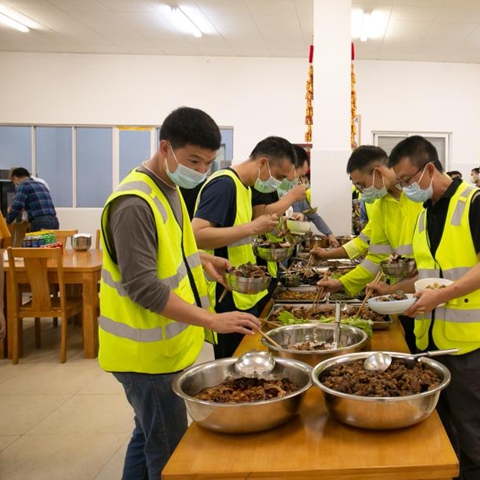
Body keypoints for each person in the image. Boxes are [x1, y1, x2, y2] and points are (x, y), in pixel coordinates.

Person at [99, 107, 261, 479]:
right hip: (145, 357)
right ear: (165, 148)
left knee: (146, 434)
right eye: (193, 160)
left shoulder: (165, 188)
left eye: (208, 163)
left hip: (164, 349)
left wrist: (200, 258)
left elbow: (164, 251)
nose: (201, 171)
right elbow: (143, 286)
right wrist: (212, 319)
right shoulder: (134, 203)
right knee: (169, 454)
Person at [389, 135, 480, 480]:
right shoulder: (426, 214)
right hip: (435, 341)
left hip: (473, 343)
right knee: (447, 432)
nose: (407, 188)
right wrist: (396, 293)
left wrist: (440, 297)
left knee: (475, 439)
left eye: (408, 180)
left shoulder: (475, 201)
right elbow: (430, 275)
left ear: (429, 168)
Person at [192, 137, 296, 358]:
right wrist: (252, 227)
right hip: (225, 292)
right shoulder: (224, 185)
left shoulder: (245, 188)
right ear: (263, 163)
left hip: (244, 290)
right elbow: (197, 235)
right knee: (233, 361)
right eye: (278, 176)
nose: (277, 183)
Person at [317, 145, 422, 353]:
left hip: (431, 295)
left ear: (378, 172)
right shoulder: (382, 205)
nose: (363, 191)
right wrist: (341, 283)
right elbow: (375, 258)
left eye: (363, 185)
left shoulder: (420, 198)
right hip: (404, 298)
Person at [284, 146, 339, 247]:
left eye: (302, 177)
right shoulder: (273, 191)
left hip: (292, 245)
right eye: (300, 176)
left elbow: (314, 217)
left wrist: (329, 234)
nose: (300, 180)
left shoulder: (299, 197)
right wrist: (291, 217)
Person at [7, 167, 59, 231]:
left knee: (35, 241)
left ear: (15, 178)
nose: (14, 184)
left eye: (13, 182)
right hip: (54, 221)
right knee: (50, 241)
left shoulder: (23, 185)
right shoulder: (41, 184)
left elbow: (17, 205)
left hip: (40, 222)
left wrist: (8, 221)